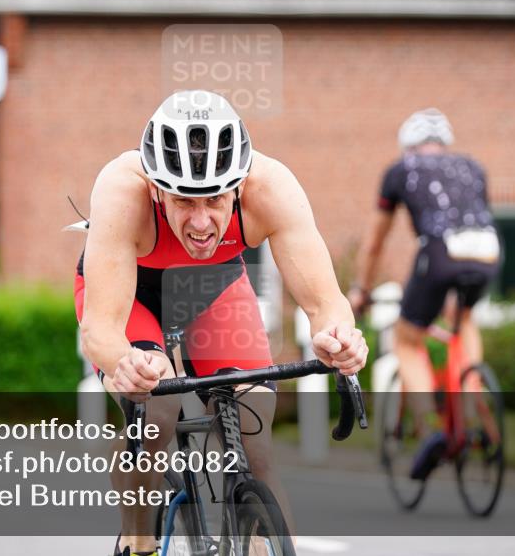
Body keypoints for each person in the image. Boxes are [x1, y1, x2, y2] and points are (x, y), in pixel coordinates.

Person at [75, 90, 368, 556]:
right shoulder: (120, 189)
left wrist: (340, 340)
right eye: (182, 201)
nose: (200, 222)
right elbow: (102, 328)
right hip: (134, 293)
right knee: (158, 413)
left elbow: (325, 304)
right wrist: (124, 364)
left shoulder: (271, 188)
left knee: (257, 449)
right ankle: (138, 539)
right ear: (155, 189)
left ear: (238, 186)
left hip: (213, 289)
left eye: (214, 200)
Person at [349, 108, 500, 480]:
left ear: (408, 146)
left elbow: (373, 244)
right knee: (463, 319)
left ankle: (431, 430)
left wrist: (361, 290)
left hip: (439, 254)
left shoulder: (401, 169)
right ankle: (471, 401)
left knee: (407, 340)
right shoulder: (473, 167)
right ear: (444, 143)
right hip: (487, 252)